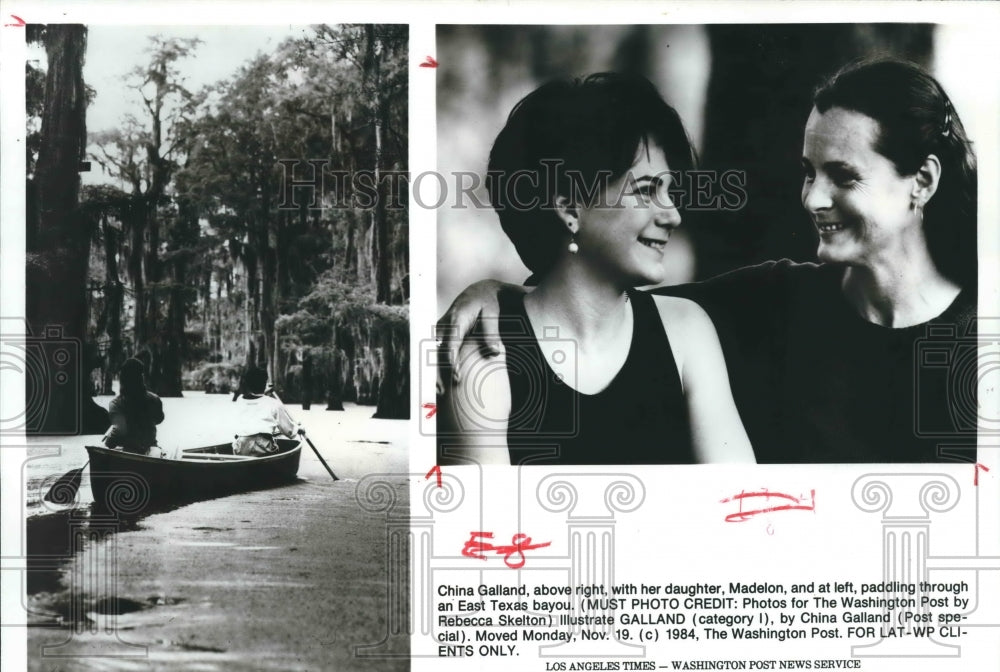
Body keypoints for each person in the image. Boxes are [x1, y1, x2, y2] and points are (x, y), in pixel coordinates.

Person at [437, 59, 978, 464]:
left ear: (923, 182)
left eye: (844, 175)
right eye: (809, 172)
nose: (811, 198)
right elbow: (591, 302)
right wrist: (494, 293)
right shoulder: (772, 299)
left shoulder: (981, 336)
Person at [439, 73, 755, 465]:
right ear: (571, 208)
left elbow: (739, 509)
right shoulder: (485, 354)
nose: (672, 214)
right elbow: (485, 526)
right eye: (645, 191)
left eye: (670, 191)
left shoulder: (688, 332)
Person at [232, 366, 302, 456]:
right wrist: (298, 429)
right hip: (263, 447)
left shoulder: (240, 400)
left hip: (240, 446)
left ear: (248, 385)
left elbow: (256, 400)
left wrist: (263, 393)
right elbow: (289, 431)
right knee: (273, 444)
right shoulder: (273, 403)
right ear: (265, 384)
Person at [103, 357, 165, 455]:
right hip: (151, 448)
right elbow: (159, 419)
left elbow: (119, 431)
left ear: (122, 379)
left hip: (129, 452)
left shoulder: (116, 404)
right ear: (142, 378)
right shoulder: (155, 399)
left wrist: (107, 443)